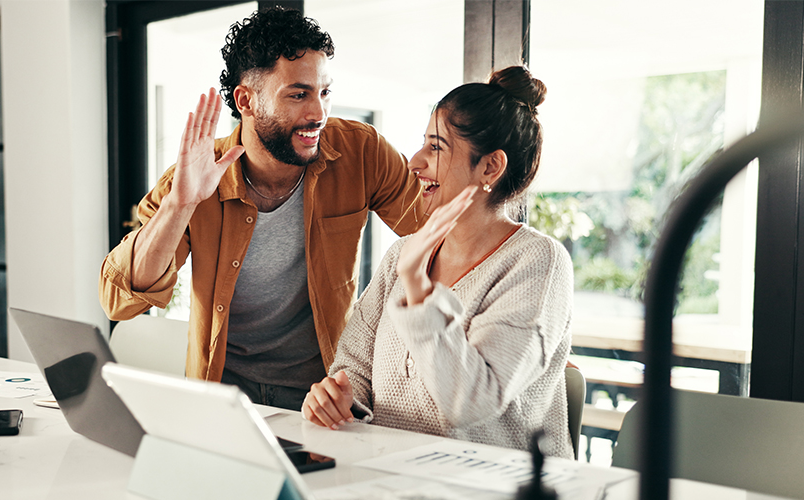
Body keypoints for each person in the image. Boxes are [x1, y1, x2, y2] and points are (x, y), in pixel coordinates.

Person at [99, 8, 426, 411]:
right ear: (246, 100)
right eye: (298, 94)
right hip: (225, 397)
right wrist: (180, 205)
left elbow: (435, 233)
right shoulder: (196, 176)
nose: (318, 114)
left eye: (324, 92)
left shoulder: (361, 151)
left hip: (324, 395)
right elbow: (119, 299)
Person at [300, 66, 575, 458]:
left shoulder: (538, 263)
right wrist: (338, 400)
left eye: (436, 147)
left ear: (490, 167)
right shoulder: (403, 253)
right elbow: (353, 368)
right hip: (394, 477)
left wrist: (417, 287)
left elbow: (471, 402)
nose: (414, 162)